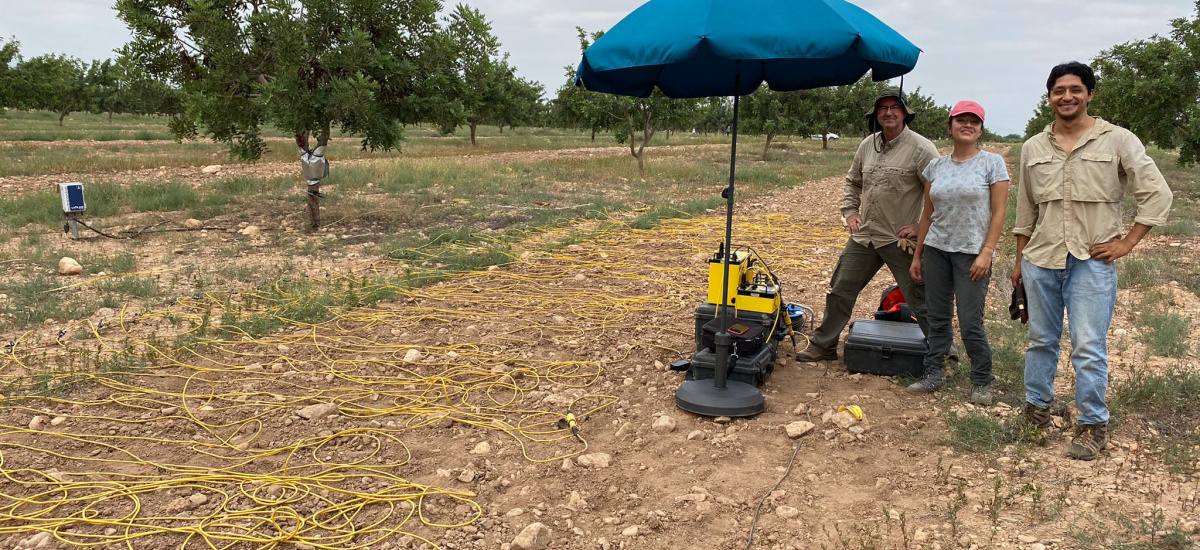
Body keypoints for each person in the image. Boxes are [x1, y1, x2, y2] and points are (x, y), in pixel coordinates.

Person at [1013, 62, 1172, 460]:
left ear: (1089, 94)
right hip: (1041, 258)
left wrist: (1129, 241)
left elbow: (1156, 193)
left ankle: (1092, 424)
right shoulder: (1034, 147)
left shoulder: (1117, 140)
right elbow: (1025, 211)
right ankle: (1036, 411)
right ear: (1049, 97)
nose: (1066, 97)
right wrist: (1018, 264)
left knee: (1088, 346)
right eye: (1058, 91)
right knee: (1040, 341)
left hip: (1092, 260)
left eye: (1075, 89)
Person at [796, 88, 939, 362]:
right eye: (882, 108)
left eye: (894, 107)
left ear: (905, 113)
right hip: (865, 237)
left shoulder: (922, 149)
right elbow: (853, 181)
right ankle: (824, 345)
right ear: (875, 115)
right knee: (841, 288)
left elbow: (940, 192)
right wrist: (850, 210)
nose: (888, 112)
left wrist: (922, 226)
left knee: (919, 297)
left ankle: (942, 352)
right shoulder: (867, 145)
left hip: (899, 239)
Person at [907, 101, 1010, 403]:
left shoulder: (992, 163)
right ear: (949, 127)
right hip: (937, 250)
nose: (967, 125)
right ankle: (934, 373)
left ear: (980, 129)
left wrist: (987, 251)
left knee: (969, 321)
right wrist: (918, 255)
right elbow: (928, 213)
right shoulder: (936, 166)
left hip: (972, 253)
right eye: (961, 120)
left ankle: (982, 380)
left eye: (974, 122)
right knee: (937, 317)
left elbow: (1000, 211)